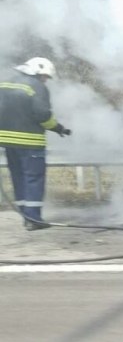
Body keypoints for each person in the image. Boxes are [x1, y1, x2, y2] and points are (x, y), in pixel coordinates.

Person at [0, 57, 71, 231]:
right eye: (45, 76)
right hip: (31, 143)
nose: (45, 80)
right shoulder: (37, 86)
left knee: (18, 179)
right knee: (33, 179)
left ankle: (25, 215)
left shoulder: (5, 83)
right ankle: (33, 219)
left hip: (7, 142)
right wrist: (58, 128)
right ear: (36, 71)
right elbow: (43, 115)